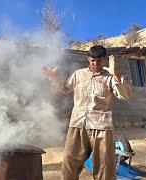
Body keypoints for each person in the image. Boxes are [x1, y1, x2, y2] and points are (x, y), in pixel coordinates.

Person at [42, 45, 130, 180]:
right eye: (92, 60)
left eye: (99, 61)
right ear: (88, 59)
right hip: (78, 123)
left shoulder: (110, 77)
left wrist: (116, 74)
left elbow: (124, 95)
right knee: (69, 163)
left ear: (104, 60)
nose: (95, 64)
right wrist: (54, 77)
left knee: (104, 168)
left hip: (101, 126)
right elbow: (65, 89)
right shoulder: (78, 74)